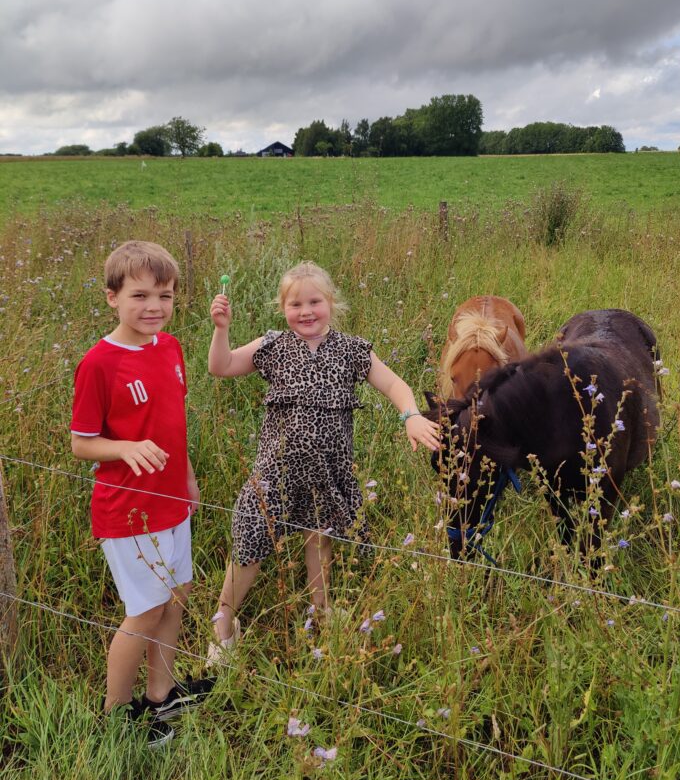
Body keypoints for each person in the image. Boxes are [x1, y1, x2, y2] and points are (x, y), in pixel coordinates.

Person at [207, 260, 440, 658]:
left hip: (328, 472)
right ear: (283, 308)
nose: (306, 311)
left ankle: (322, 617)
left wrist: (411, 415)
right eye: (295, 304)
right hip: (274, 473)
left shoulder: (352, 350)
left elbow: (393, 384)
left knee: (320, 541)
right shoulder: (272, 346)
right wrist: (222, 330)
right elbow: (221, 366)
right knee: (250, 539)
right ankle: (224, 627)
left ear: (331, 302)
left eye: (315, 301)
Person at [71, 240, 211, 748]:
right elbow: (81, 443)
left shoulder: (169, 347)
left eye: (166, 295)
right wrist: (125, 447)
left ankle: (161, 696)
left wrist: (189, 477)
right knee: (146, 609)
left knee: (176, 599)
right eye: (140, 295)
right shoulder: (100, 364)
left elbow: (174, 423)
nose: (155, 306)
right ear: (112, 297)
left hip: (172, 500)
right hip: (128, 511)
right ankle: (115, 717)